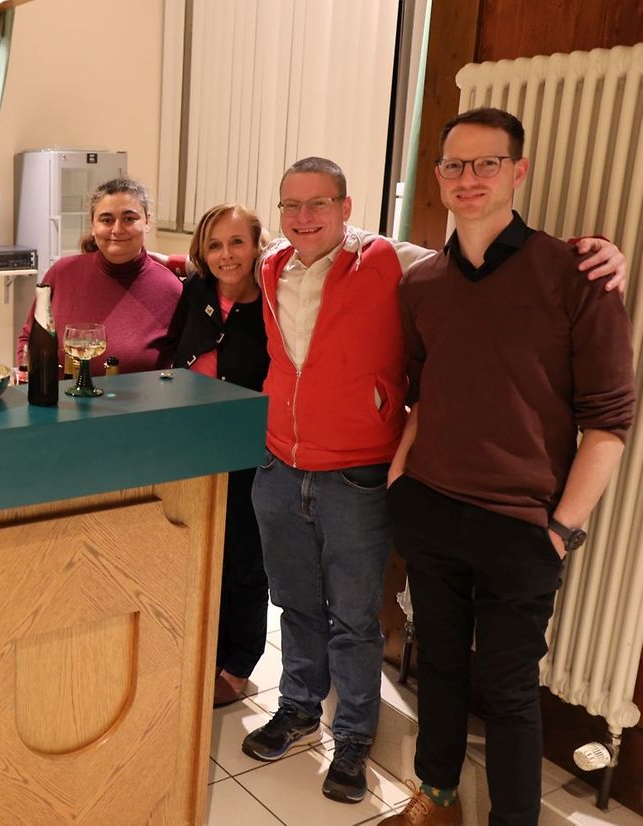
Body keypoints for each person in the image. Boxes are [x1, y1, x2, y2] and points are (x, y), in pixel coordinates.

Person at [237, 156, 628, 806]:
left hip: (356, 477)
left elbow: (476, 262)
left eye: (319, 203)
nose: (304, 217)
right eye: (291, 205)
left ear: (346, 207)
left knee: (355, 619)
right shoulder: (273, 263)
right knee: (297, 605)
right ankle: (300, 706)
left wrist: (593, 250)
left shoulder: (391, 259)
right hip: (280, 467)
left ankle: (353, 738)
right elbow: (211, 264)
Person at [382, 108, 635, 826]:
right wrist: (401, 477)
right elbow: (425, 388)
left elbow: (610, 421)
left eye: (486, 163)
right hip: (430, 505)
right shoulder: (423, 282)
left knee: (509, 688)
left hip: (522, 526)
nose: (469, 178)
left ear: (517, 171)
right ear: (438, 177)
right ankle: (436, 798)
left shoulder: (576, 274)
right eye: (454, 165)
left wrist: (560, 530)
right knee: (438, 664)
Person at [170, 204, 271, 707]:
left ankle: (238, 665)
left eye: (236, 243)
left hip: (250, 450)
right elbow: (174, 354)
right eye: (214, 245)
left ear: (256, 246)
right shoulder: (195, 292)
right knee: (199, 552)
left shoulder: (274, 301)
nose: (225, 255)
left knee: (245, 560)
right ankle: (202, 650)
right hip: (192, 447)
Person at [16, 177, 182, 374]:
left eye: (129, 219)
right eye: (106, 220)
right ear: (93, 225)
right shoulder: (61, 273)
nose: (117, 230)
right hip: (58, 394)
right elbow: (28, 339)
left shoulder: (171, 289)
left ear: (147, 221)